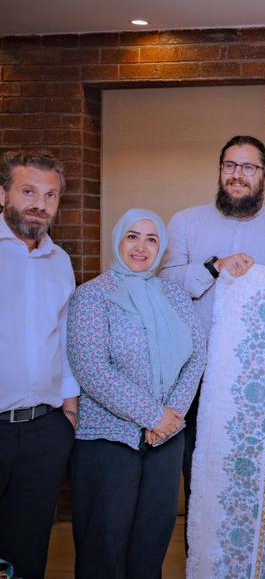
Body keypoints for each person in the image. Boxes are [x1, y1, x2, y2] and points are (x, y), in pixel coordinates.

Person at [160, 135, 265, 514]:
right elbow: (166, 286)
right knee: (199, 484)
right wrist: (215, 267)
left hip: (257, 382)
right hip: (192, 377)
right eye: (229, 166)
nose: (237, 175)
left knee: (254, 485)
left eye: (248, 167)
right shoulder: (185, 223)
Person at [67, 209, 207, 577]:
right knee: (103, 548)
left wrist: (172, 415)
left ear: (161, 248)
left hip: (165, 442)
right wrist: (154, 416)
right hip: (108, 441)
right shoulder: (92, 296)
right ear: (118, 241)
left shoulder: (175, 296)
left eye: (151, 239)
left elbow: (197, 355)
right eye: (132, 237)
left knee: (151, 546)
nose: (141, 247)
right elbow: (92, 370)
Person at [0, 150, 79, 579]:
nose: (39, 204)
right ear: (3, 194)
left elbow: (63, 339)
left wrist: (69, 410)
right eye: (28, 192)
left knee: (27, 552)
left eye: (50, 195)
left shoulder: (60, 262)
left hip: (44, 431)